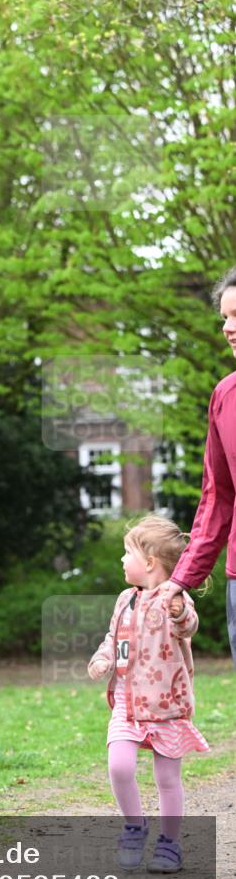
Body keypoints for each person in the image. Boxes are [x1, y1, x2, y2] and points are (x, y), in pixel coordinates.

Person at [88, 515, 209, 874]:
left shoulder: (174, 598)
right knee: (119, 765)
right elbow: (114, 639)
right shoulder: (125, 600)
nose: (122, 561)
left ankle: (170, 843)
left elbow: (189, 625)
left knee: (167, 778)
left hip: (167, 704)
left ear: (150, 562)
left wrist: (179, 610)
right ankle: (134, 825)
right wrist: (103, 657)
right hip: (128, 702)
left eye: (127, 553)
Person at [160, 266, 236, 664]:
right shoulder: (225, 396)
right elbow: (218, 498)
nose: (228, 327)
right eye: (225, 317)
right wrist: (183, 577)